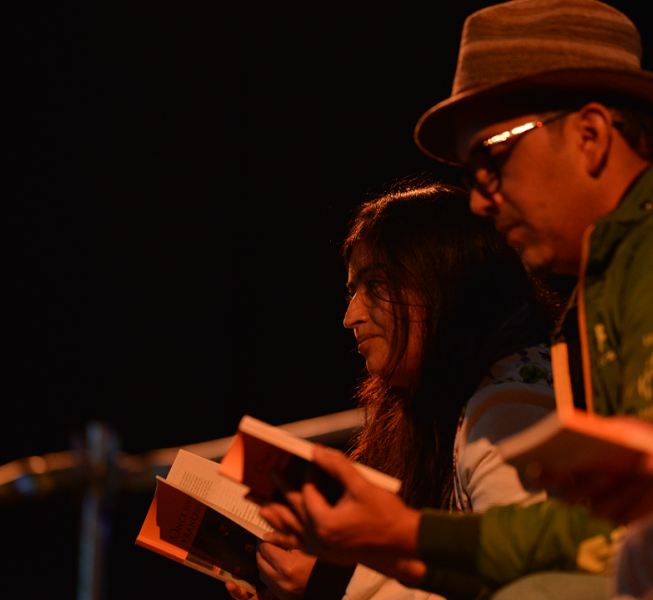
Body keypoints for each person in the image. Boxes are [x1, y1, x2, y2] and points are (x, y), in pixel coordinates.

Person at [259, 1, 653, 599]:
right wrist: (399, 540)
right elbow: (622, 537)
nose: (478, 199)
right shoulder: (614, 279)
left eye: (492, 159)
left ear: (590, 135)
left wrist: (397, 538)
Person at [230, 181, 588, 600]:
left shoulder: (508, 407)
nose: (351, 317)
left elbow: (529, 586)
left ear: (443, 280)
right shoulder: (438, 402)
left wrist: (332, 582)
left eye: (376, 286)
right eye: (353, 291)